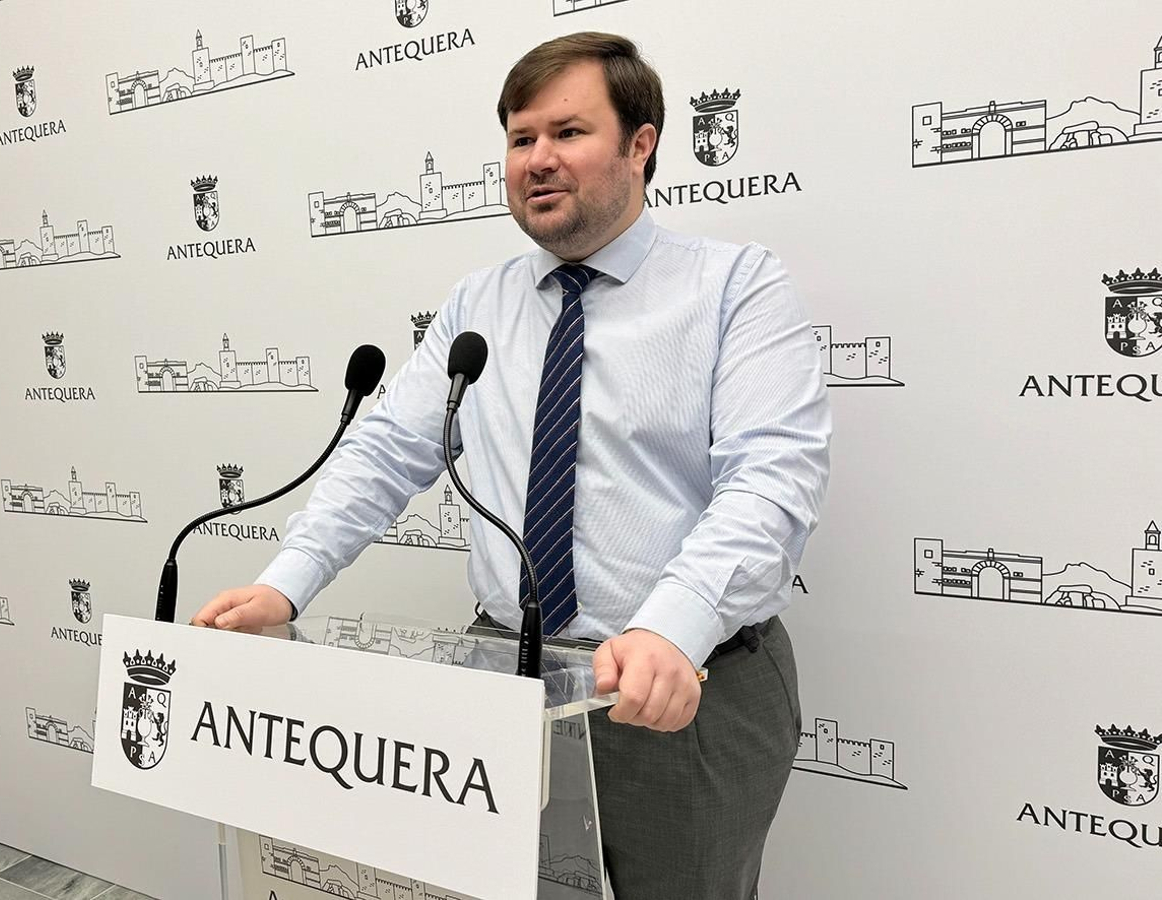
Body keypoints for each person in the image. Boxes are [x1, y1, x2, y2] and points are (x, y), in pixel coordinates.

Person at [189, 31, 830, 900]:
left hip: (684, 689)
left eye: (568, 133)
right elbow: (386, 454)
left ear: (641, 144)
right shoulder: (477, 304)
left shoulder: (736, 288)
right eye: (520, 138)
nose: (537, 159)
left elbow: (770, 483)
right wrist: (286, 584)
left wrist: (672, 628)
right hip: (506, 679)